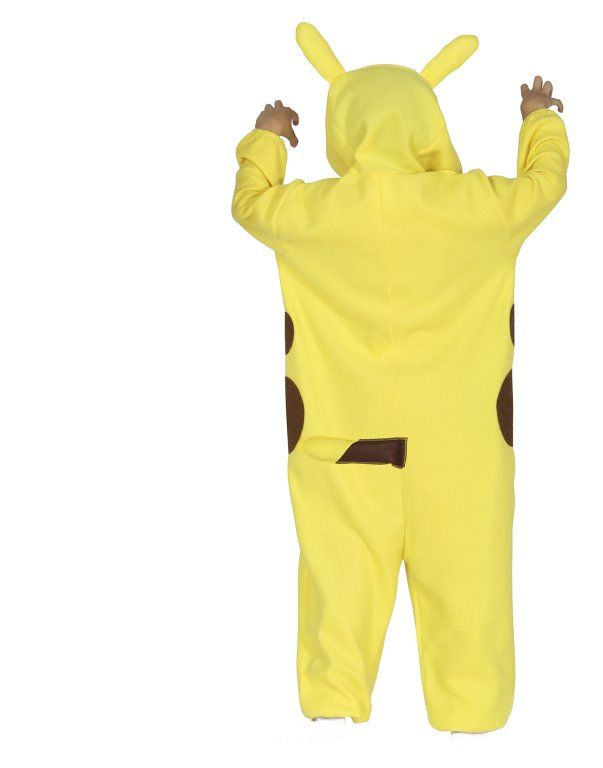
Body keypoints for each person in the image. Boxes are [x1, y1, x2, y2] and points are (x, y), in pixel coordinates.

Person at [232, 22, 569, 734]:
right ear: (428, 125)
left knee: (339, 574)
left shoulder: (313, 214)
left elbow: (250, 204)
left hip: (343, 445)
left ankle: (332, 702)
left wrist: (268, 136)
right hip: (463, 450)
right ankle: (472, 709)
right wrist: (539, 120)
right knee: (469, 582)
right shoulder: (478, 209)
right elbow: (545, 185)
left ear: (344, 128)